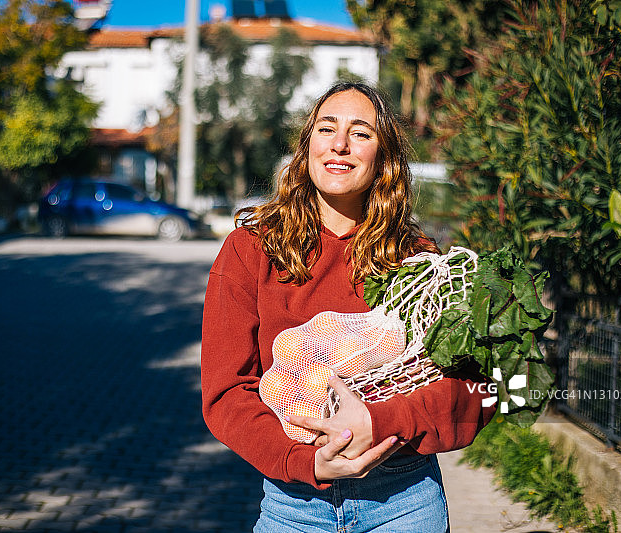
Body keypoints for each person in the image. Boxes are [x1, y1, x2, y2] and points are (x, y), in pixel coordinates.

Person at [201, 81, 495, 532]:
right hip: (294, 503)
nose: (339, 144)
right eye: (326, 129)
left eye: (361, 133)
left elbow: (474, 390)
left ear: (384, 158)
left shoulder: (419, 261)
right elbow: (226, 392)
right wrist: (304, 461)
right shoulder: (250, 250)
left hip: (404, 503)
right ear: (307, 147)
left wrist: (381, 421)